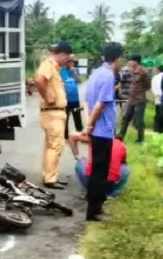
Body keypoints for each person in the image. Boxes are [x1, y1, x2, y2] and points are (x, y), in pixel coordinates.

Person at [84, 41, 124, 221]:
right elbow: (100, 104)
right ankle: (93, 212)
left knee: (98, 170)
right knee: (99, 173)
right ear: (118, 58)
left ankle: (97, 208)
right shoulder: (108, 76)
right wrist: (90, 125)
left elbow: (87, 101)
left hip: (97, 130)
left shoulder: (95, 73)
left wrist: (88, 123)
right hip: (102, 131)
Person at [35, 41, 74, 190]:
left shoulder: (55, 67)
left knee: (51, 146)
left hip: (55, 113)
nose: (68, 61)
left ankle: (50, 175)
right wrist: (47, 97)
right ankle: (50, 178)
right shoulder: (49, 64)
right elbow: (39, 80)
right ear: (62, 54)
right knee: (55, 145)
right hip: (53, 113)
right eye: (67, 57)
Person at [68, 131, 131, 198]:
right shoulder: (122, 146)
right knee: (126, 169)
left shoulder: (96, 140)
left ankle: (90, 191)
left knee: (80, 163)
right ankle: (112, 193)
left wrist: (77, 156)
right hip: (109, 182)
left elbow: (71, 136)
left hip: (93, 182)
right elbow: (123, 163)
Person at [118, 54, 151, 143]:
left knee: (139, 120)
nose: (130, 62)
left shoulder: (143, 72)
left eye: (131, 60)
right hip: (131, 98)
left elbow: (148, 85)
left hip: (140, 99)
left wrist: (140, 91)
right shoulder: (130, 70)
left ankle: (140, 139)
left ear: (136, 61)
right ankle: (120, 136)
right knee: (126, 117)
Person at [61, 57, 83, 139]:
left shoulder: (76, 70)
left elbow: (79, 81)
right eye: (70, 62)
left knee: (77, 117)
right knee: (65, 118)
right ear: (66, 63)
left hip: (75, 98)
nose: (71, 64)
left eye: (73, 62)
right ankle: (65, 135)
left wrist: (74, 73)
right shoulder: (62, 71)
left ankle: (80, 133)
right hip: (66, 99)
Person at [150, 65, 163, 132]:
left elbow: (152, 88)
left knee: (158, 113)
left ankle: (156, 128)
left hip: (157, 97)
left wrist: (156, 94)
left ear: (158, 70)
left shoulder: (155, 77)